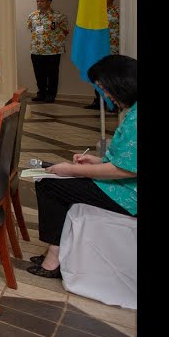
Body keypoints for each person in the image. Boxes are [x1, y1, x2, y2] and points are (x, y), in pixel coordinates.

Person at [28, 54, 137, 279]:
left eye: (104, 88)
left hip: (127, 194)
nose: (106, 95)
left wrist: (73, 169)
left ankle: (54, 257)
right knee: (55, 182)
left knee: (50, 186)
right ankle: (58, 249)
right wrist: (97, 161)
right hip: (124, 186)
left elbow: (126, 170)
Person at [27, 0, 70, 103]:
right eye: (37, 1)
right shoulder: (32, 16)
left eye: (42, 1)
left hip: (53, 51)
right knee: (39, 74)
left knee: (52, 74)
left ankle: (51, 95)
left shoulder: (59, 16)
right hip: (37, 50)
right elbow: (31, 29)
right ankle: (41, 93)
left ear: (49, 2)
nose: (39, 3)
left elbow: (65, 31)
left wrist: (54, 40)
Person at [87, 0, 121, 110]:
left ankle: (115, 103)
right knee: (98, 75)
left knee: (113, 76)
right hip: (98, 48)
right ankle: (99, 101)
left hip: (113, 48)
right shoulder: (95, 12)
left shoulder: (119, 11)